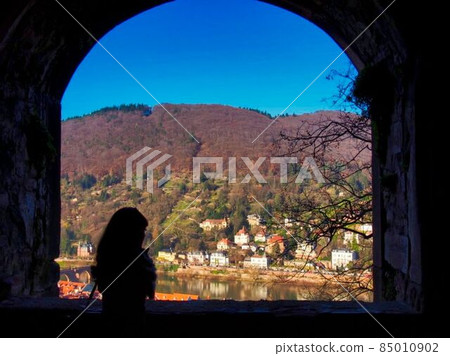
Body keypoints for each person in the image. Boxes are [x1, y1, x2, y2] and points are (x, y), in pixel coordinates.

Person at [93, 207, 157, 336]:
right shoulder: (136, 260)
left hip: (109, 322)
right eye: (141, 230)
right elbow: (149, 292)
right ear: (130, 232)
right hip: (132, 324)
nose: (143, 235)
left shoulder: (107, 256)